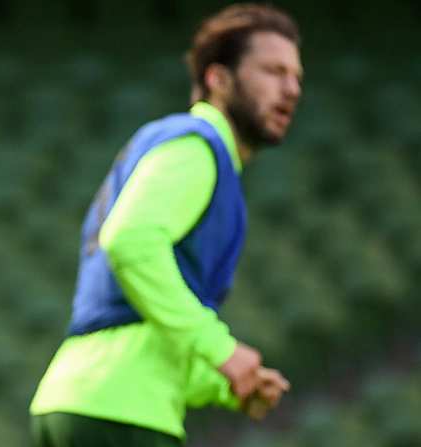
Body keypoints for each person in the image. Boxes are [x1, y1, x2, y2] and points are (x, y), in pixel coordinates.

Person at [30, 4, 302, 446]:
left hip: (80, 399)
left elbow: (147, 326)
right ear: (219, 79)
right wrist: (221, 349)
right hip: (123, 414)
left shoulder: (176, 146)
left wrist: (228, 385)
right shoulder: (197, 149)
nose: (290, 89)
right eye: (273, 71)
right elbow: (130, 240)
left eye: (296, 77)